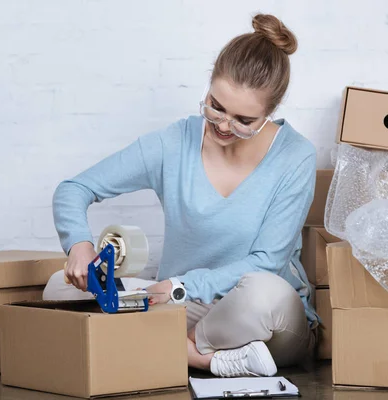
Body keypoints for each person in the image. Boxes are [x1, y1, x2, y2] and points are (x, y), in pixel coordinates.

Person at [43, 13, 319, 378]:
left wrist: (179, 284)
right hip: (182, 305)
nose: (223, 126)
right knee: (58, 291)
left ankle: (158, 345)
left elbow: (266, 261)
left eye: (244, 121)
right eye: (216, 106)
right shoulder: (173, 144)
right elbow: (74, 189)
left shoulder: (295, 156)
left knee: (264, 293)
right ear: (208, 85)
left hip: (258, 317)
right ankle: (210, 359)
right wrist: (79, 245)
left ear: (269, 114)